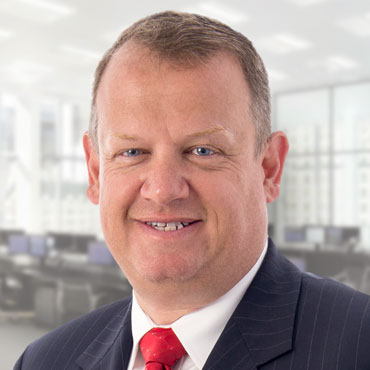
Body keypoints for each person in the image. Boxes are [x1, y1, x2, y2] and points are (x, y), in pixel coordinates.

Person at [14, 11, 370, 370]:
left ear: (269, 169)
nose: (163, 190)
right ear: (95, 172)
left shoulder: (359, 343)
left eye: (203, 151)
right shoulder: (43, 360)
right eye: (132, 152)